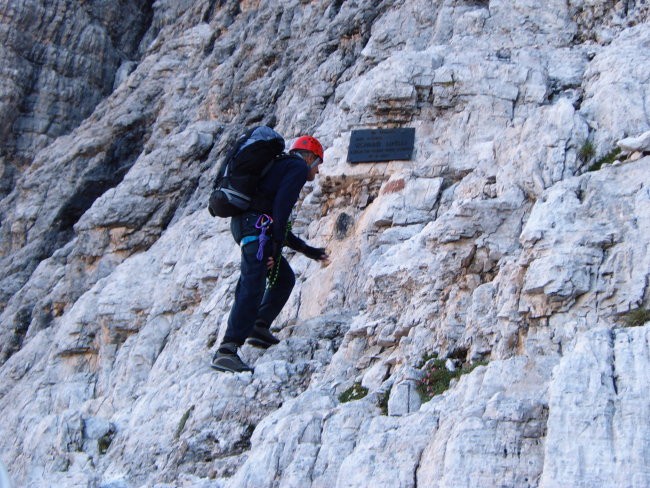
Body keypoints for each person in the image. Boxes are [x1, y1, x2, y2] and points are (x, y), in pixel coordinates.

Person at [211, 134, 329, 373]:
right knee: (252, 284)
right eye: (318, 164)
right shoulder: (296, 167)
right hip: (256, 227)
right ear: (310, 157)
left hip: (249, 224)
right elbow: (281, 210)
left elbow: (277, 222)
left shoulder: (281, 165)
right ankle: (227, 350)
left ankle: (259, 326)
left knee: (284, 278)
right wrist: (273, 248)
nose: (316, 172)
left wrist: (308, 251)